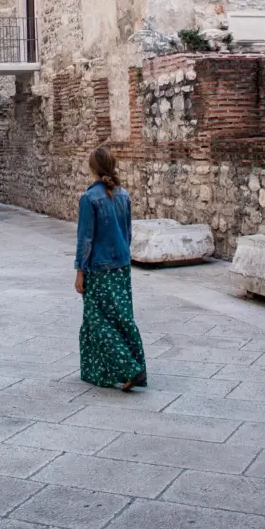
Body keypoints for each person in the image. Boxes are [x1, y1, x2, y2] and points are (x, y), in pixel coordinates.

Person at [74, 146, 147, 391]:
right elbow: (127, 232)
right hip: (121, 266)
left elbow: (85, 238)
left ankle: (129, 368)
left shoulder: (89, 198)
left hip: (98, 268)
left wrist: (80, 270)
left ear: (92, 168)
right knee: (123, 318)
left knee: (98, 320)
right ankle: (131, 368)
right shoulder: (123, 195)